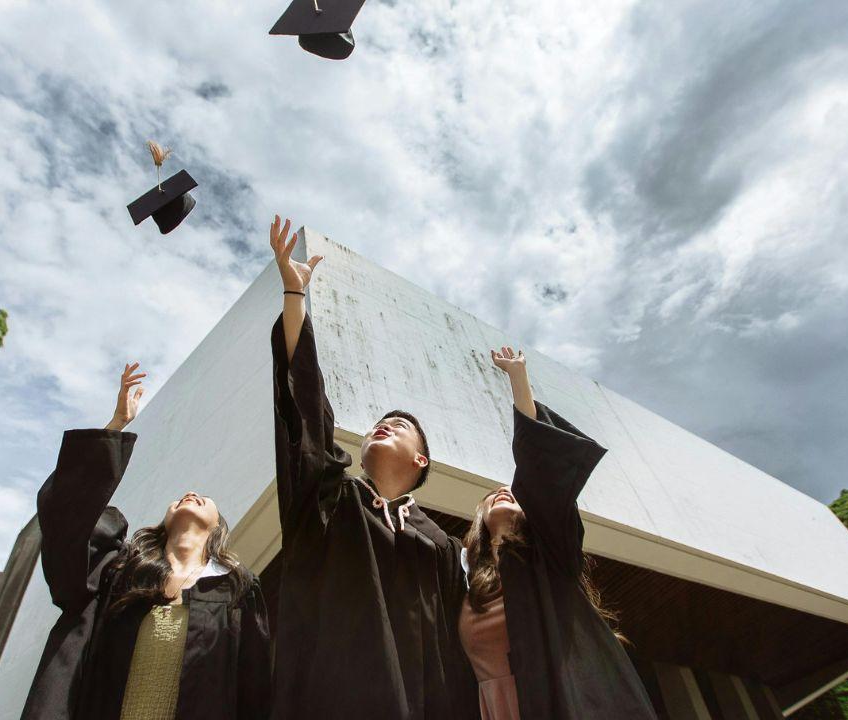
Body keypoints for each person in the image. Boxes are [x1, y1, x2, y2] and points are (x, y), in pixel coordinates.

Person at [267, 215, 477, 719]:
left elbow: (460, 653)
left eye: (398, 426)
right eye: (378, 423)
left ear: (421, 459)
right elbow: (306, 412)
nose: (382, 425)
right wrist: (295, 296)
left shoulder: (443, 549)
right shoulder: (328, 500)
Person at [22, 363, 272, 720]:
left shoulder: (237, 590)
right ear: (164, 521)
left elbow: (254, 690)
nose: (190, 493)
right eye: (180, 497)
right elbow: (67, 519)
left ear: (217, 525)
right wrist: (115, 426)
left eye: (203, 497)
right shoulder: (120, 570)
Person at [459, 346, 658, 720]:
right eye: (493, 495)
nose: (503, 491)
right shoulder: (465, 579)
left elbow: (541, 470)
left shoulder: (550, 556)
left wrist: (518, 379)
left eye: (514, 493)